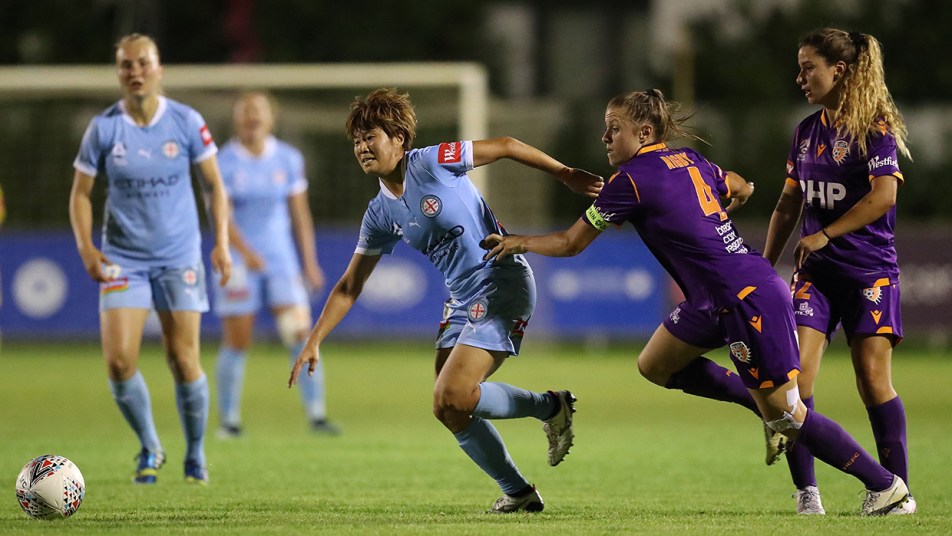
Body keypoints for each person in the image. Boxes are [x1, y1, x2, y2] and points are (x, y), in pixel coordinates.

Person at [482, 89, 910, 516]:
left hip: (743, 299)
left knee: (787, 415)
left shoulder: (628, 180)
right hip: (715, 296)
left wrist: (519, 242)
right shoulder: (690, 160)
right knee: (656, 364)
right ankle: (758, 405)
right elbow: (739, 184)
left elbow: (571, 243)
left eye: (614, 129)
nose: (605, 138)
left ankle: (885, 487)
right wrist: (737, 194)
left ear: (644, 132)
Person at [289, 88, 603, 513]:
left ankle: (550, 406)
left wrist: (565, 172)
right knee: (450, 408)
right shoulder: (380, 213)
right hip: (460, 297)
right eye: (357, 140)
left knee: (452, 394)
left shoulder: (433, 161)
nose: (363, 147)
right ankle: (519, 491)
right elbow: (349, 286)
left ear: (399, 139)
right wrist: (314, 339)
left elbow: (507, 146)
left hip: (501, 279)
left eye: (372, 136)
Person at [762, 28, 915, 515]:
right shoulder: (806, 131)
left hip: (870, 274)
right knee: (795, 386)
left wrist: (827, 233)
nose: (801, 77)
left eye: (810, 67)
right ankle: (808, 496)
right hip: (817, 277)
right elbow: (788, 204)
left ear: (840, 70)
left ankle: (895, 491)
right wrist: (763, 269)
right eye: (801, 67)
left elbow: (884, 196)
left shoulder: (874, 129)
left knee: (873, 382)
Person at [69, 33, 231, 485]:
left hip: (179, 256)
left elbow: (215, 185)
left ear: (159, 70)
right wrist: (86, 247)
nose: (135, 72)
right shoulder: (104, 128)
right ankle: (150, 445)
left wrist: (220, 242)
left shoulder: (185, 121)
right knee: (119, 362)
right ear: (119, 73)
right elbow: (80, 195)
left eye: (143, 63)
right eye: (126, 65)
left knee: (183, 360)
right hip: (123, 259)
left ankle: (195, 453)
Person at [213, 91, 338, 437]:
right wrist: (245, 252)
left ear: (270, 119)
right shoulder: (223, 161)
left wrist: (309, 261)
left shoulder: (287, 158)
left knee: (300, 333)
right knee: (237, 340)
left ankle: (317, 415)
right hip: (239, 262)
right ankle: (230, 421)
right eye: (245, 111)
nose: (252, 117)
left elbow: (300, 214)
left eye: (258, 111)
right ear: (237, 119)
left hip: (281, 261)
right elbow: (220, 215)